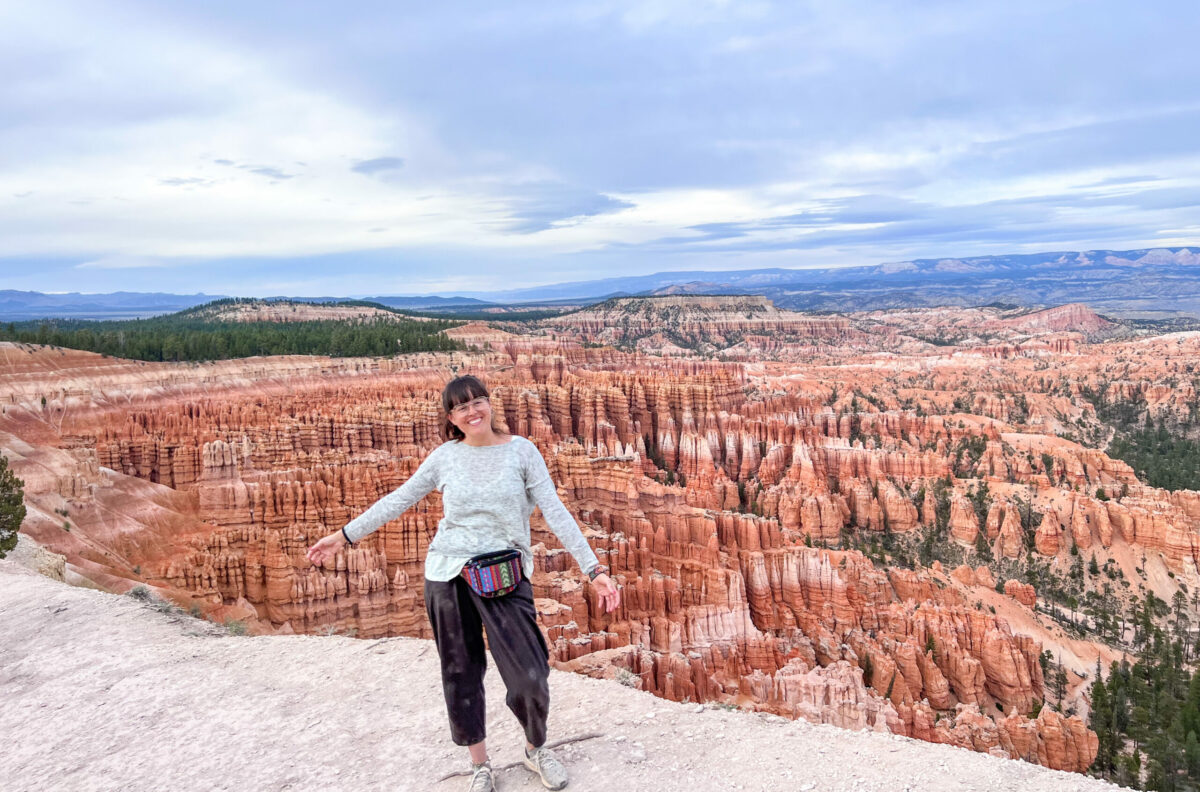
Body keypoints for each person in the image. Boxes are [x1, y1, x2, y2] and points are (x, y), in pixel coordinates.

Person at [306, 375, 620, 791]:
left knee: (529, 675)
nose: (472, 411)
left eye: (478, 402)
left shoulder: (522, 452)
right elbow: (399, 499)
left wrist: (594, 569)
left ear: (490, 405)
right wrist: (343, 536)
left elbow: (556, 511)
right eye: (461, 407)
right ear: (451, 418)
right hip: (447, 575)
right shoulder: (444, 457)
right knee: (461, 672)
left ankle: (535, 748)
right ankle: (480, 765)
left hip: (504, 575)